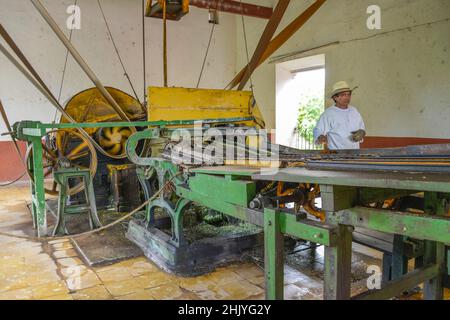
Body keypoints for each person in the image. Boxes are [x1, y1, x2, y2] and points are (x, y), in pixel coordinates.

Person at [313, 81, 366, 150]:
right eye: (343, 95)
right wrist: (320, 137)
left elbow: (361, 128)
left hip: (355, 154)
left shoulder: (354, 111)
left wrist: (362, 133)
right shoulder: (329, 114)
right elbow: (318, 130)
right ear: (335, 98)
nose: (347, 97)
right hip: (336, 155)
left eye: (349, 94)